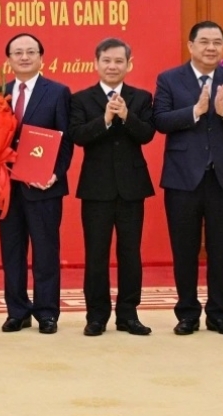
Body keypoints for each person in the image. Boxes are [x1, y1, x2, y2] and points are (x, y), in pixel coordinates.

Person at [154, 21, 223, 336]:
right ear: (191, 45)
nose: (211, 47)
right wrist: (195, 110)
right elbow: (159, 120)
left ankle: (219, 314)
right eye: (205, 42)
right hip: (183, 179)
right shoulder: (170, 79)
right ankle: (187, 314)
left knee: (221, 250)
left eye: (217, 42)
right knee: (184, 249)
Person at [67, 38, 155, 337]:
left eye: (119, 61)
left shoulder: (141, 98)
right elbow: (78, 135)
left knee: (130, 253)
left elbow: (147, 135)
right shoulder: (81, 99)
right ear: (97, 63)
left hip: (132, 187)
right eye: (107, 60)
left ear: (129, 64)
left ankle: (128, 314)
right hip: (96, 188)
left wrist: (127, 116)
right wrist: (105, 119)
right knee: (96, 254)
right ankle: (96, 316)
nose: (112, 66)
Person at [0, 33, 73, 334]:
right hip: (7, 187)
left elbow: (66, 139)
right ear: (9, 59)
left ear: (42, 57)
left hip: (45, 186)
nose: (25, 57)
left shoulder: (57, 92)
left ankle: (46, 312)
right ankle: (17, 311)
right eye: (18, 52)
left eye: (31, 52)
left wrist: (54, 173)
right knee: (12, 251)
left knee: (45, 250)